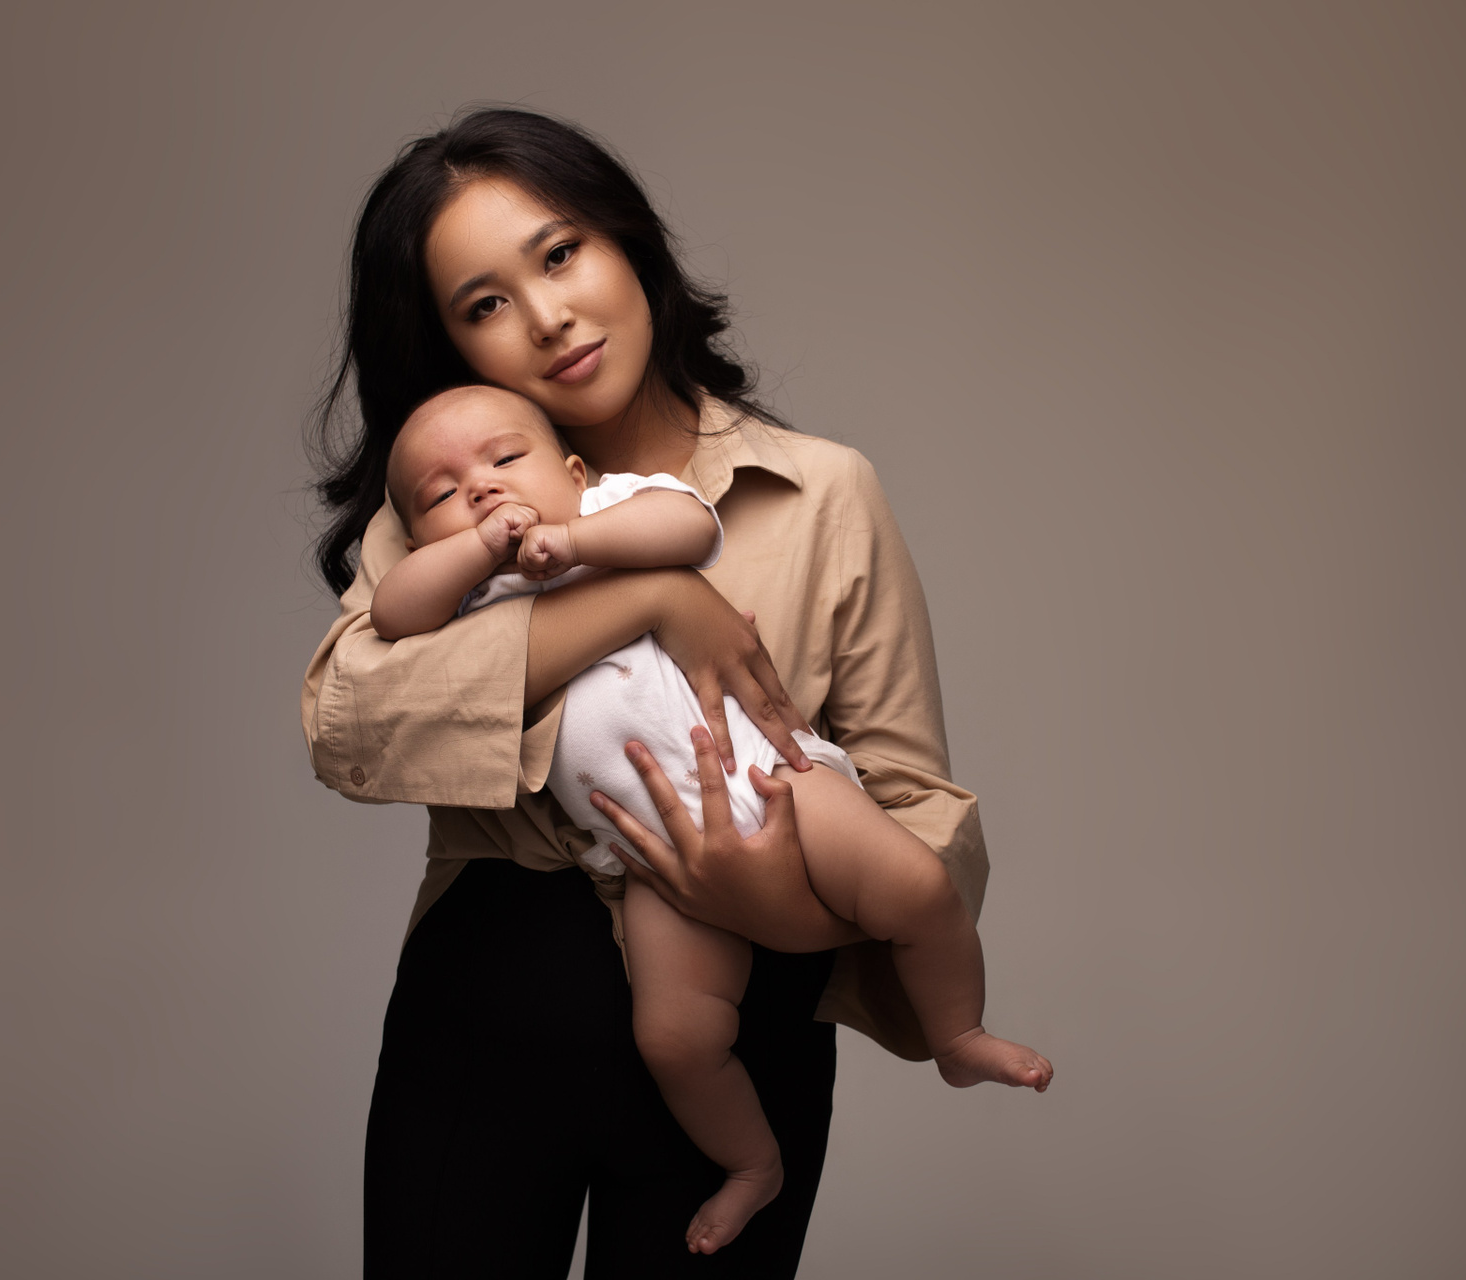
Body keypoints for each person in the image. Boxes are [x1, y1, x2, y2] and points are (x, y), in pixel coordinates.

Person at [303, 107, 1016, 1277]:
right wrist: (649, 599)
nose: (547, 316)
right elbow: (348, 724)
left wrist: (799, 916)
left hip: (740, 1013)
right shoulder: (453, 503)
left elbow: (916, 804)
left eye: (561, 252)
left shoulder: (822, 491)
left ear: (629, 241)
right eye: (483, 303)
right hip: (489, 1000)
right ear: (449, 340)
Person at [365, 384, 1053, 1255]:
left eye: (506, 459)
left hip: (776, 784)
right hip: (650, 866)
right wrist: (476, 550)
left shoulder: (610, 507)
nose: (482, 488)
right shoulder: (469, 598)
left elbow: (689, 527)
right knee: (676, 1036)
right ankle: (751, 1165)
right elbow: (391, 614)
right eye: (442, 494)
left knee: (915, 885)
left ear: (573, 472)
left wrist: (573, 541)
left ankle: (957, 1033)